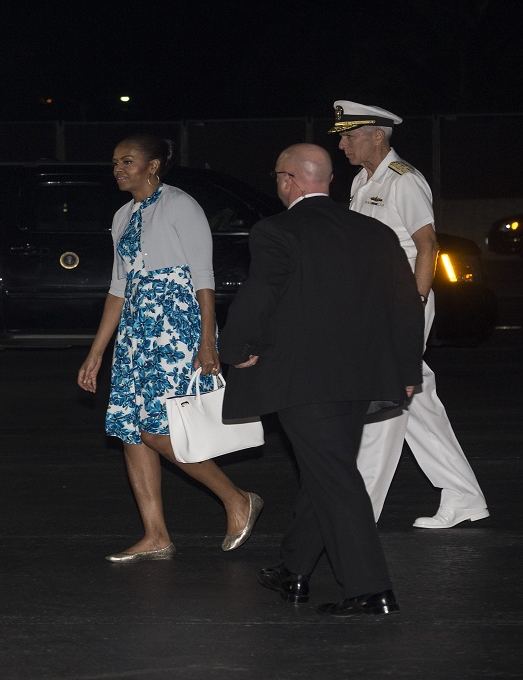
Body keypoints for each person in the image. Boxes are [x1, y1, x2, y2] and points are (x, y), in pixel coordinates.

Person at [219, 143, 423, 616]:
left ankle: (371, 588)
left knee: (334, 477)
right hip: (362, 377)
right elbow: (406, 304)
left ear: (288, 180)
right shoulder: (375, 231)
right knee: (324, 471)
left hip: (304, 381)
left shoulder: (277, 230)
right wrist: (407, 369)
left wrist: (234, 349)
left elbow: (261, 293)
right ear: (328, 180)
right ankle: (294, 570)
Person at [76, 133, 262, 563]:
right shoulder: (123, 215)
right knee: (130, 429)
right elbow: (118, 287)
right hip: (136, 332)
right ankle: (155, 535)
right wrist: (96, 351)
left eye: (127, 161)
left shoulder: (180, 205)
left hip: (176, 329)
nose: (118, 169)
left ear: (154, 166)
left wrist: (207, 341)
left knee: (158, 430)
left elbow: (203, 277)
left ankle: (236, 499)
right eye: (115, 162)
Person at [329, 100, 490, 528]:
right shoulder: (362, 180)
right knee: (415, 399)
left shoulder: (404, 180)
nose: (342, 144)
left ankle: (360, 511)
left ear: (377, 135)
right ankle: (463, 494)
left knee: (383, 395)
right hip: (374, 303)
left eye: (350, 136)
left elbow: (428, 245)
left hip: (401, 301)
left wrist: (413, 306)